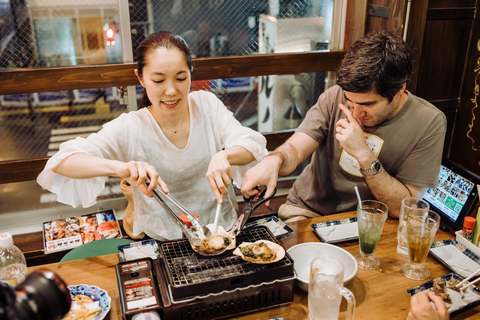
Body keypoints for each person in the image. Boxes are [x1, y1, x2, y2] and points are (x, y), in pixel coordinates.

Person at [37, 31, 267, 240]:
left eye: (180, 78)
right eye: (158, 81)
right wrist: (121, 168)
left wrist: (225, 156)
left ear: (190, 73)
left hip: (220, 231)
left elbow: (250, 142)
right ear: (140, 78)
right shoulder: (131, 127)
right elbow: (62, 161)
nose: (171, 90)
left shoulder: (206, 105)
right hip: (164, 239)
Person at [241, 30, 447, 220]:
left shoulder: (428, 122)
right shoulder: (335, 96)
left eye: (368, 104)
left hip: (373, 222)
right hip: (308, 211)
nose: (355, 113)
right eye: (350, 103)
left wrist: (364, 155)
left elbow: (403, 209)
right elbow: (295, 149)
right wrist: (275, 160)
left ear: (400, 89)